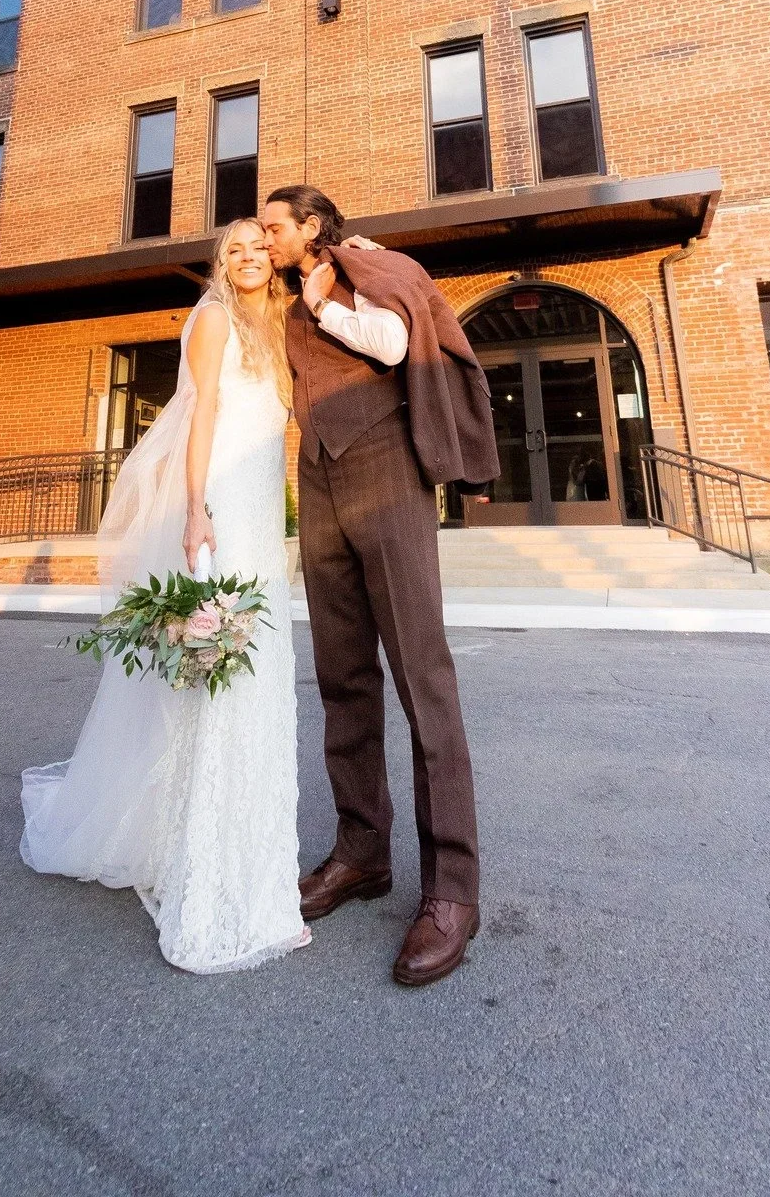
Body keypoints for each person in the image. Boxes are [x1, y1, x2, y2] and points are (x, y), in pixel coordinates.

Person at [19, 219, 309, 976]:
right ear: (222, 264)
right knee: (219, 679)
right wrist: (194, 510)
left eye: (257, 248)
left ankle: (257, 869)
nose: (247, 258)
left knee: (261, 677)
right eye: (233, 250)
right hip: (218, 504)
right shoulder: (212, 319)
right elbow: (200, 415)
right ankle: (211, 875)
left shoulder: (275, 322)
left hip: (258, 511)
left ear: (272, 259)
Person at [260, 185, 499, 988]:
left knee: (422, 681)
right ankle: (361, 854)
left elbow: (395, 345)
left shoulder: (367, 264)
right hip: (320, 480)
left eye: (272, 226)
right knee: (341, 678)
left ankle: (452, 891)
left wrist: (325, 306)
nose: (264, 237)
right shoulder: (294, 295)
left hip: (386, 473)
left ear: (311, 227)